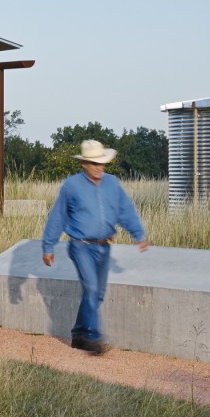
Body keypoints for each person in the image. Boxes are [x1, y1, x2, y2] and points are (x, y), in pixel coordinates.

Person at [40, 139, 149, 354]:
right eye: (93, 163)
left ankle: (79, 334)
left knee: (97, 294)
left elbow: (124, 210)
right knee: (91, 289)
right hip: (80, 246)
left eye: (101, 163)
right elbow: (58, 216)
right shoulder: (71, 185)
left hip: (105, 246)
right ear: (84, 164)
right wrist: (48, 246)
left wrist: (138, 234)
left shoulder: (113, 183)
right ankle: (93, 338)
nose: (99, 167)